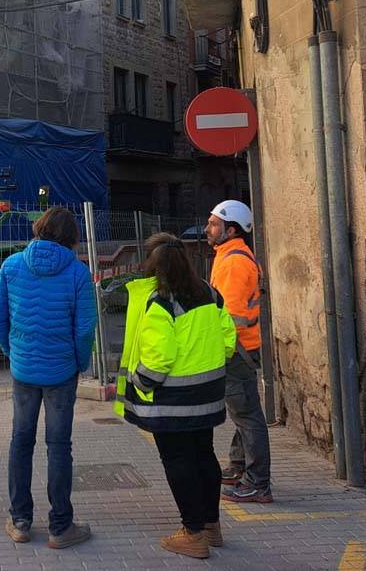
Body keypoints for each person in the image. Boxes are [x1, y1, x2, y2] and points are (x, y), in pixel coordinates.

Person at [114, 233, 235, 559]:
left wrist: (140, 382)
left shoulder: (161, 303)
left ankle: (192, 533)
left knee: (178, 462)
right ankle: (212, 526)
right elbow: (227, 341)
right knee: (205, 456)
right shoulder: (210, 294)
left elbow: (158, 359)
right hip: (209, 395)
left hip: (173, 401)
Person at [0, 206, 97, 550]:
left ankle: (20, 520)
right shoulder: (78, 273)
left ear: (38, 228)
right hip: (61, 370)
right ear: (71, 236)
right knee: (59, 446)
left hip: (24, 369)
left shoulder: (12, 265)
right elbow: (84, 328)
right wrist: (79, 362)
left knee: (20, 442)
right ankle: (60, 527)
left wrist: (12, 351)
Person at [206, 199, 274, 503]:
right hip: (241, 348)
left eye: (214, 224)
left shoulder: (234, 262)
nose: (208, 229)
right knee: (242, 413)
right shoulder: (229, 255)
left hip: (237, 350)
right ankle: (238, 466)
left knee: (247, 415)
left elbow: (228, 317)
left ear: (231, 229)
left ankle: (258, 483)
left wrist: (215, 350)